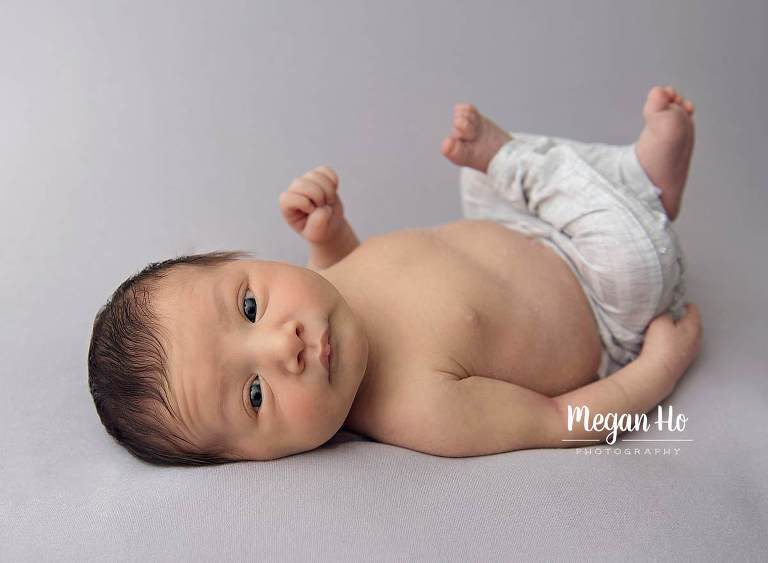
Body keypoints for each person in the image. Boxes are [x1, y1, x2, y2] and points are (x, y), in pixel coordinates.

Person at [87, 85, 702, 465]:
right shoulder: (419, 407)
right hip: (603, 300)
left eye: (250, 308)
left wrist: (329, 234)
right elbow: (557, 421)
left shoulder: (329, 290)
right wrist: (656, 371)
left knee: (476, 182)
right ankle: (638, 190)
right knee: (634, 260)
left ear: (246, 262)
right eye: (254, 395)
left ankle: (642, 180)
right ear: (260, 459)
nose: (284, 345)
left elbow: (358, 272)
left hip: (525, 233)